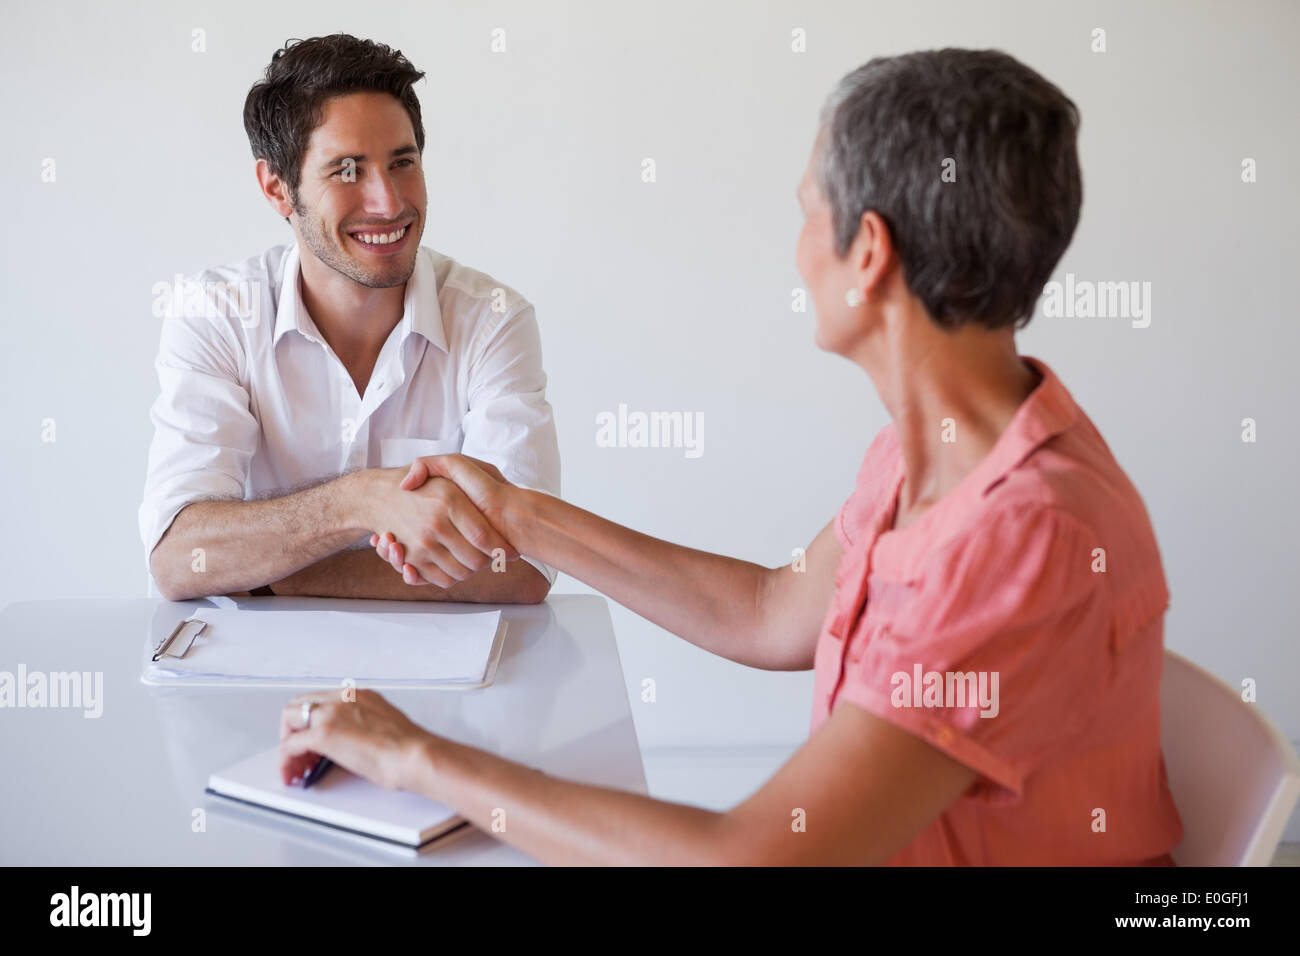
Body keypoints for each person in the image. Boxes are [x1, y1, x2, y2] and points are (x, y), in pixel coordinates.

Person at [278, 48, 1184, 865]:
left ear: (867, 252)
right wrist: (520, 515)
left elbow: (747, 863)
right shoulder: (940, 451)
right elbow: (767, 611)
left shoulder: (1022, 533)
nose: (796, 253)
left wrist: (417, 758)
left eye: (807, 213)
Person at [139, 34, 558, 604]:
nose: (388, 203)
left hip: (443, 678)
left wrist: (273, 572)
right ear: (277, 188)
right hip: (260, 679)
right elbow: (179, 557)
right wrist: (361, 500)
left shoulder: (492, 320)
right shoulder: (216, 314)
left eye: (402, 162)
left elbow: (521, 564)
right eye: (347, 170)